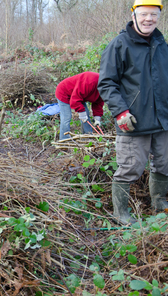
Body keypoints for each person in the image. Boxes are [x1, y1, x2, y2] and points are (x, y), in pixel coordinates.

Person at [98, 0, 168, 224]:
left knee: (165, 163)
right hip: (133, 120)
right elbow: (107, 83)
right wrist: (120, 112)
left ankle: (159, 201)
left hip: (163, 120)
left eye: (154, 15)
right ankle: (121, 213)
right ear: (134, 15)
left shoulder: (161, 44)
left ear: (159, 16)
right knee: (130, 167)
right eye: (144, 14)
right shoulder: (120, 44)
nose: (149, 19)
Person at [55, 71, 104, 140]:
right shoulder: (90, 81)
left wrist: (97, 118)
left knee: (86, 115)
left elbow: (98, 102)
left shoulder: (104, 88)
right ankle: (64, 140)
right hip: (64, 92)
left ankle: (87, 137)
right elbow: (75, 99)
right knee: (66, 118)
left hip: (79, 95)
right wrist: (81, 113)